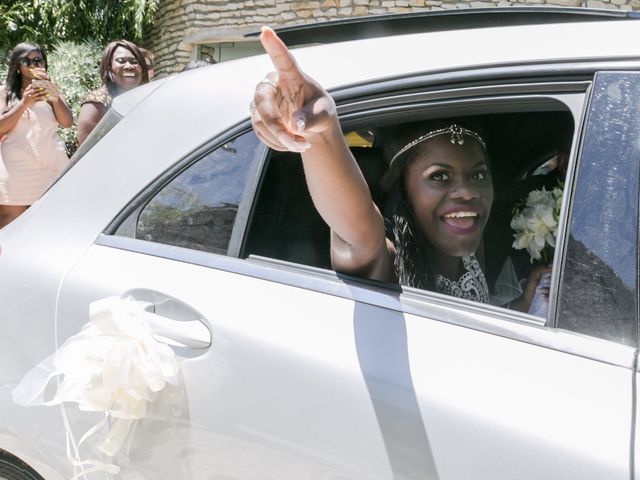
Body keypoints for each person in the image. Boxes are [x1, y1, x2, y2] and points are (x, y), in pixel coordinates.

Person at [251, 27, 545, 310]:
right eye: (439, 176)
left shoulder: (468, 247)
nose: (467, 191)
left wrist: (523, 304)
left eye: (478, 174)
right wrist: (323, 134)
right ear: (405, 188)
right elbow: (357, 229)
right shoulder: (388, 262)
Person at [0, 43, 73, 228]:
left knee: (51, 220)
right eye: (27, 61)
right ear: (17, 65)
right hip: (16, 167)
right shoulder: (4, 92)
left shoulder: (52, 90)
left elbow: (66, 123)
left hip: (51, 164)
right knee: (10, 220)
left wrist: (53, 95)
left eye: (37, 60)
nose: (33, 65)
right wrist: (24, 103)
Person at [77, 40, 149, 145]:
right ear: (109, 67)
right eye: (121, 61)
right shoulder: (96, 102)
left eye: (134, 62)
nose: (129, 66)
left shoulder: (146, 98)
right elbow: (87, 150)